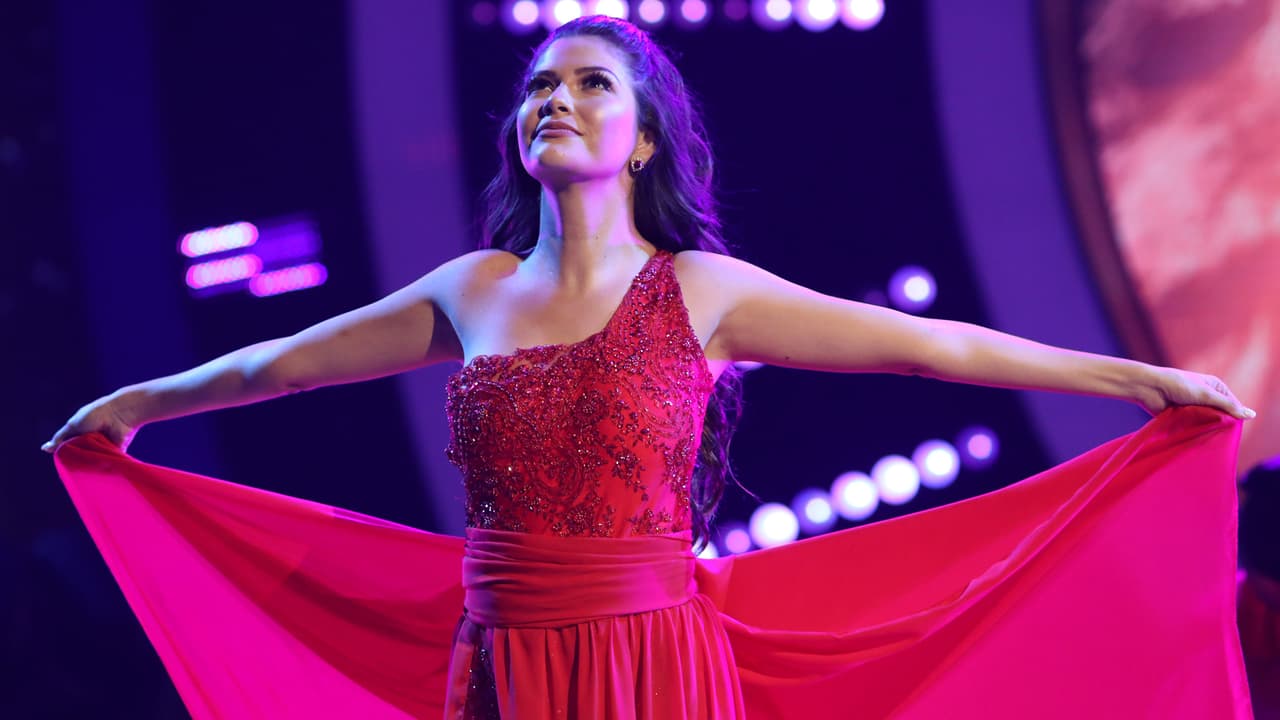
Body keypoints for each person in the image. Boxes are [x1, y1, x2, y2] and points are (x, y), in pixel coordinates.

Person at [44, 15, 1255, 720]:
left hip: (649, 664)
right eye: (538, 86)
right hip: (502, 663)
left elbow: (932, 349)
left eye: (589, 84)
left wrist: (1138, 383)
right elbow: (285, 365)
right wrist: (134, 406)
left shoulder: (699, 291)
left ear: (641, 141)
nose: (554, 100)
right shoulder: (472, 290)